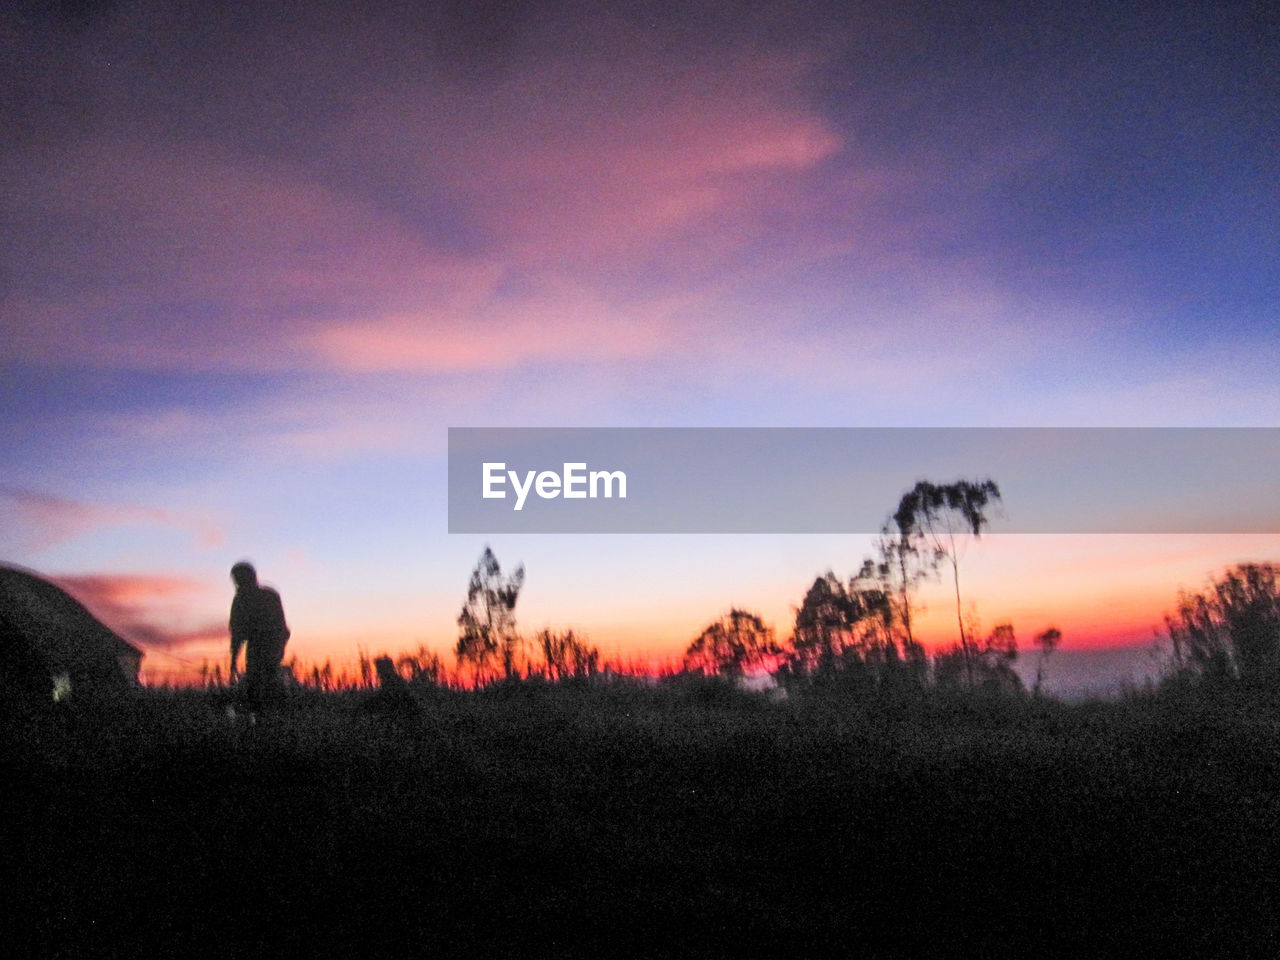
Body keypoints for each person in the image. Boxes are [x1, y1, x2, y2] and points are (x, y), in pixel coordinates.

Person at [229, 561, 290, 712]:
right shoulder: (270, 594)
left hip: (263, 648)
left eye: (238, 579)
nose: (237, 583)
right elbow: (283, 628)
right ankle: (272, 715)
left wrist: (233, 661)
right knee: (266, 683)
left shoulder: (242, 600)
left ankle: (263, 719)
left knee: (259, 686)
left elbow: (238, 633)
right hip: (272, 647)